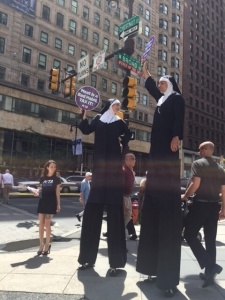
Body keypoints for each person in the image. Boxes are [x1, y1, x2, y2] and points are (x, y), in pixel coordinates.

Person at [136, 61, 185, 297]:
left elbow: (179, 118)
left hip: (168, 150)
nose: (161, 84)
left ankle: (167, 279)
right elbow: (151, 88)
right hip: (155, 155)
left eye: (164, 82)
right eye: (161, 82)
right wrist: (146, 71)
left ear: (172, 85)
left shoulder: (176, 99)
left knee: (166, 212)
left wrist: (176, 136)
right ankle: (150, 269)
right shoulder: (161, 101)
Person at [77, 98, 132, 276]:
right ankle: (86, 259)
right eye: (116, 105)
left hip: (114, 173)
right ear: (110, 105)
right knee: (92, 214)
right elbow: (85, 130)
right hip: (100, 172)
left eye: (119, 106)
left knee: (115, 219)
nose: (118, 108)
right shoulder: (98, 119)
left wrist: (122, 149)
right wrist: (83, 115)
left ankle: (116, 263)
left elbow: (128, 135)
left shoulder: (119, 122)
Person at [181, 141, 225, 288]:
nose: (199, 151)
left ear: (206, 150)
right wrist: (223, 209)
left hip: (200, 205)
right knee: (211, 240)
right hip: (214, 207)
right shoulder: (220, 168)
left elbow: (196, 184)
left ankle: (209, 265)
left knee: (189, 234)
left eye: (200, 149)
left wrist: (185, 196)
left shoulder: (198, 164)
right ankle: (209, 275)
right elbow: (224, 191)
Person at [102, 153, 138, 240]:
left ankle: (114, 232)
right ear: (126, 160)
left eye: (134, 159)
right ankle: (116, 232)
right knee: (122, 216)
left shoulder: (129, 170)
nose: (134, 161)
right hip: (122, 197)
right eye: (132, 159)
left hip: (127, 196)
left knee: (126, 216)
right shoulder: (123, 170)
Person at [35, 160, 61, 256]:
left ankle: (47, 245)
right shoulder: (42, 178)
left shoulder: (57, 179)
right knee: (40, 224)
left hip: (51, 202)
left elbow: (57, 192)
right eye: (51, 166)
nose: (53, 168)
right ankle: (41, 245)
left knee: (47, 224)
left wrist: (58, 204)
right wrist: (36, 193)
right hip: (42, 201)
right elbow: (40, 190)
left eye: (54, 167)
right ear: (47, 167)